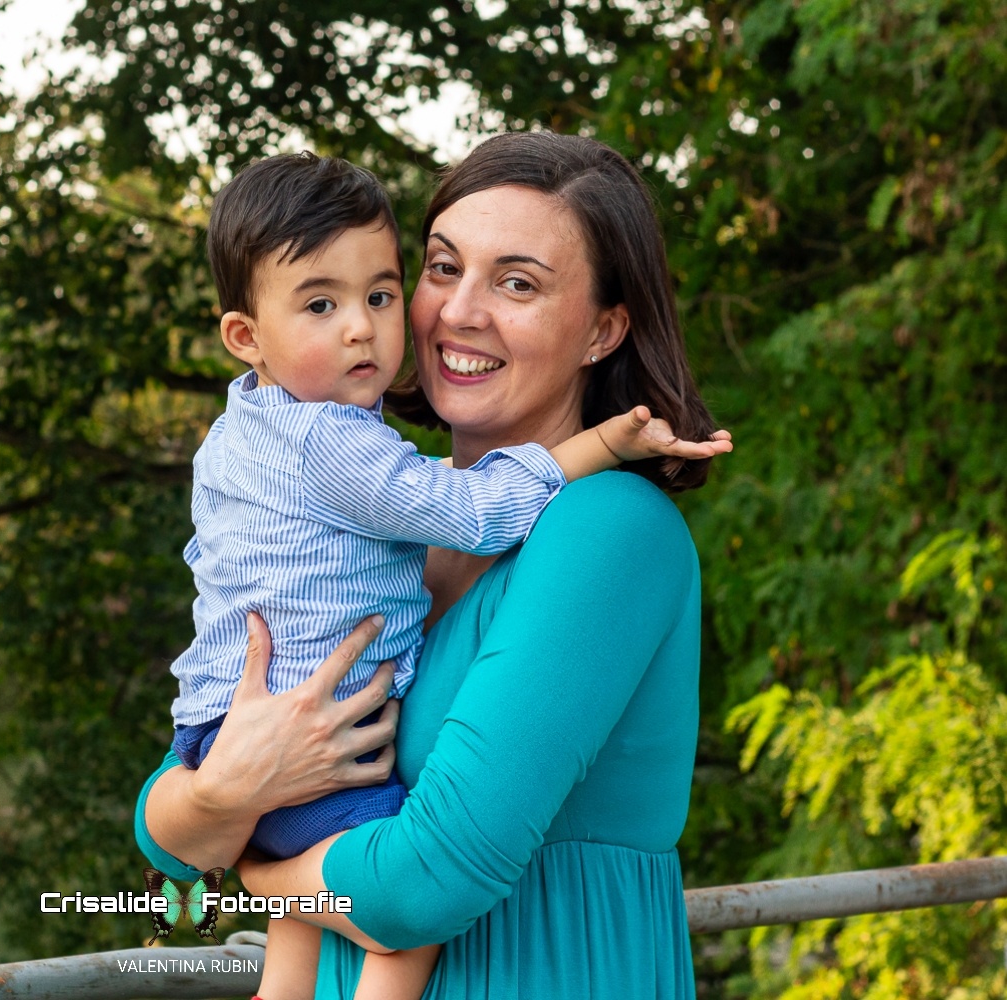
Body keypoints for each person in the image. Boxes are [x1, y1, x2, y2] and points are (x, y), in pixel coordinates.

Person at [136, 130, 722, 999]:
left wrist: (257, 869)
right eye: (443, 268)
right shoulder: (366, 514)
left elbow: (420, 887)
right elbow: (167, 832)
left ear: (603, 329)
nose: (459, 311)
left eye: (517, 283)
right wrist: (227, 794)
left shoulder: (608, 528)